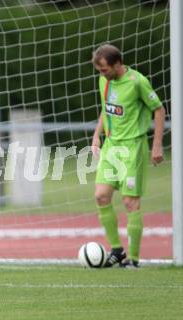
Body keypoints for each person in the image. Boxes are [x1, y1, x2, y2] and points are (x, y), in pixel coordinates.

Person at [91, 44, 165, 268]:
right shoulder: (105, 81)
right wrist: (97, 135)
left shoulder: (137, 82)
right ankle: (116, 250)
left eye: (104, 69)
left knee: (130, 202)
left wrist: (157, 145)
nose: (101, 74)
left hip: (133, 147)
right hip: (111, 146)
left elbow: (158, 109)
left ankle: (133, 259)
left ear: (117, 64)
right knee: (101, 196)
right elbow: (107, 109)